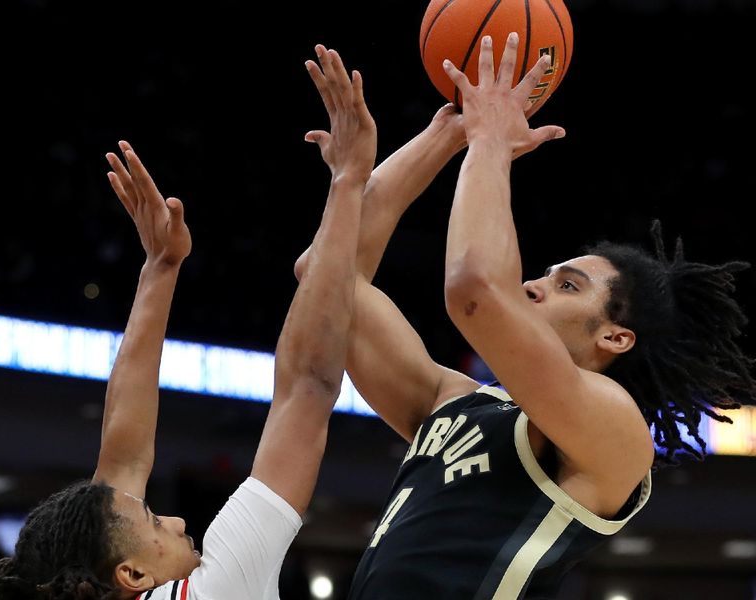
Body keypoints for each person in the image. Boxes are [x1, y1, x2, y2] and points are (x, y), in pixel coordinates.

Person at [296, 33, 756, 599]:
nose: (533, 287)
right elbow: (325, 278)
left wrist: (490, 142)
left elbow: (476, 292)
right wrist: (447, 133)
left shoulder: (615, 429)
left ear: (616, 336)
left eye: (567, 285)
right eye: (545, 274)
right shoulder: (451, 400)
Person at [0, 44, 376, 600]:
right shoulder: (215, 590)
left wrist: (160, 268)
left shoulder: (129, 578)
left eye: (159, 515)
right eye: (157, 524)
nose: (178, 522)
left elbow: (123, 461)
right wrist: (347, 179)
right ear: (131, 576)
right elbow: (308, 386)